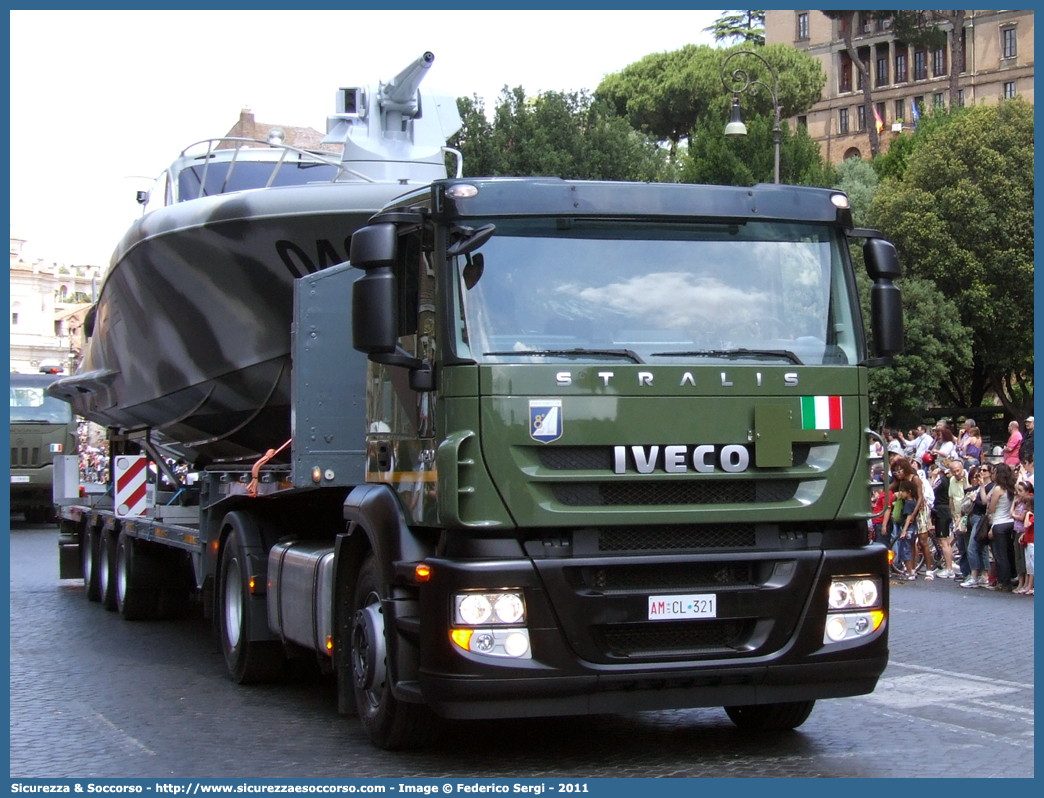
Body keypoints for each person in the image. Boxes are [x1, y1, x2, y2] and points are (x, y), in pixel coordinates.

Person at [985, 462, 1017, 592]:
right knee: (1009, 552)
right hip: (1010, 522)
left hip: (999, 522)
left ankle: (1004, 582)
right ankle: (1011, 578)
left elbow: (991, 508)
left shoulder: (998, 489)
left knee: (1000, 554)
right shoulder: (1011, 487)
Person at [961, 464, 994, 589]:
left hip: (981, 517)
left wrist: (975, 500)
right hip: (974, 517)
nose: (982, 472)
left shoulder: (990, 487)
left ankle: (975, 575)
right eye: (980, 470)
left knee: (972, 547)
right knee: (980, 548)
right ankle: (983, 575)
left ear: (990, 473)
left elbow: (985, 504)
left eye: (984, 470)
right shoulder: (981, 486)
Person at [929, 464, 955, 578]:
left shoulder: (943, 481)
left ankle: (949, 568)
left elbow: (930, 490)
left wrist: (933, 478)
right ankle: (948, 566)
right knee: (945, 540)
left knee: (944, 541)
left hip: (941, 511)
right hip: (946, 510)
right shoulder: (950, 481)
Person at [948, 460, 973, 581]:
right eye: (954, 472)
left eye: (958, 470)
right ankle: (965, 572)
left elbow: (969, 494)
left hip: (966, 515)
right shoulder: (952, 480)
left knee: (969, 546)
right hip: (957, 517)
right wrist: (953, 515)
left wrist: (964, 480)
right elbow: (951, 498)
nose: (957, 473)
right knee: (961, 546)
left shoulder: (968, 477)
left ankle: (972, 573)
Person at [894, 480, 919, 580]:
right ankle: (910, 570)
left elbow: (909, 517)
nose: (901, 494)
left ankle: (909, 572)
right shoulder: (913, 502)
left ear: (909, 492)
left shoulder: (909, 504)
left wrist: (904, 530)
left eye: (903, 491)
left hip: (908, 529)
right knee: (908, 548)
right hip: (911, 529)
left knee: (906, 549)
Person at [1011, 481, 1033, 594]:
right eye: (1017, 491)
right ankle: (1021, 582)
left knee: (1025, 559)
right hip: (1017, 531)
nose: (1018, 493)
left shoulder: (1028, 503)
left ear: (1027, 492)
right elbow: (1012, 514)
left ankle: (1026, 584)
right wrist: (1013, 504)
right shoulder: (1019, 503)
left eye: (1020, 491)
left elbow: (1021, 518)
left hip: (1024, 533)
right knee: (1018, 557)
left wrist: (1015, 515)